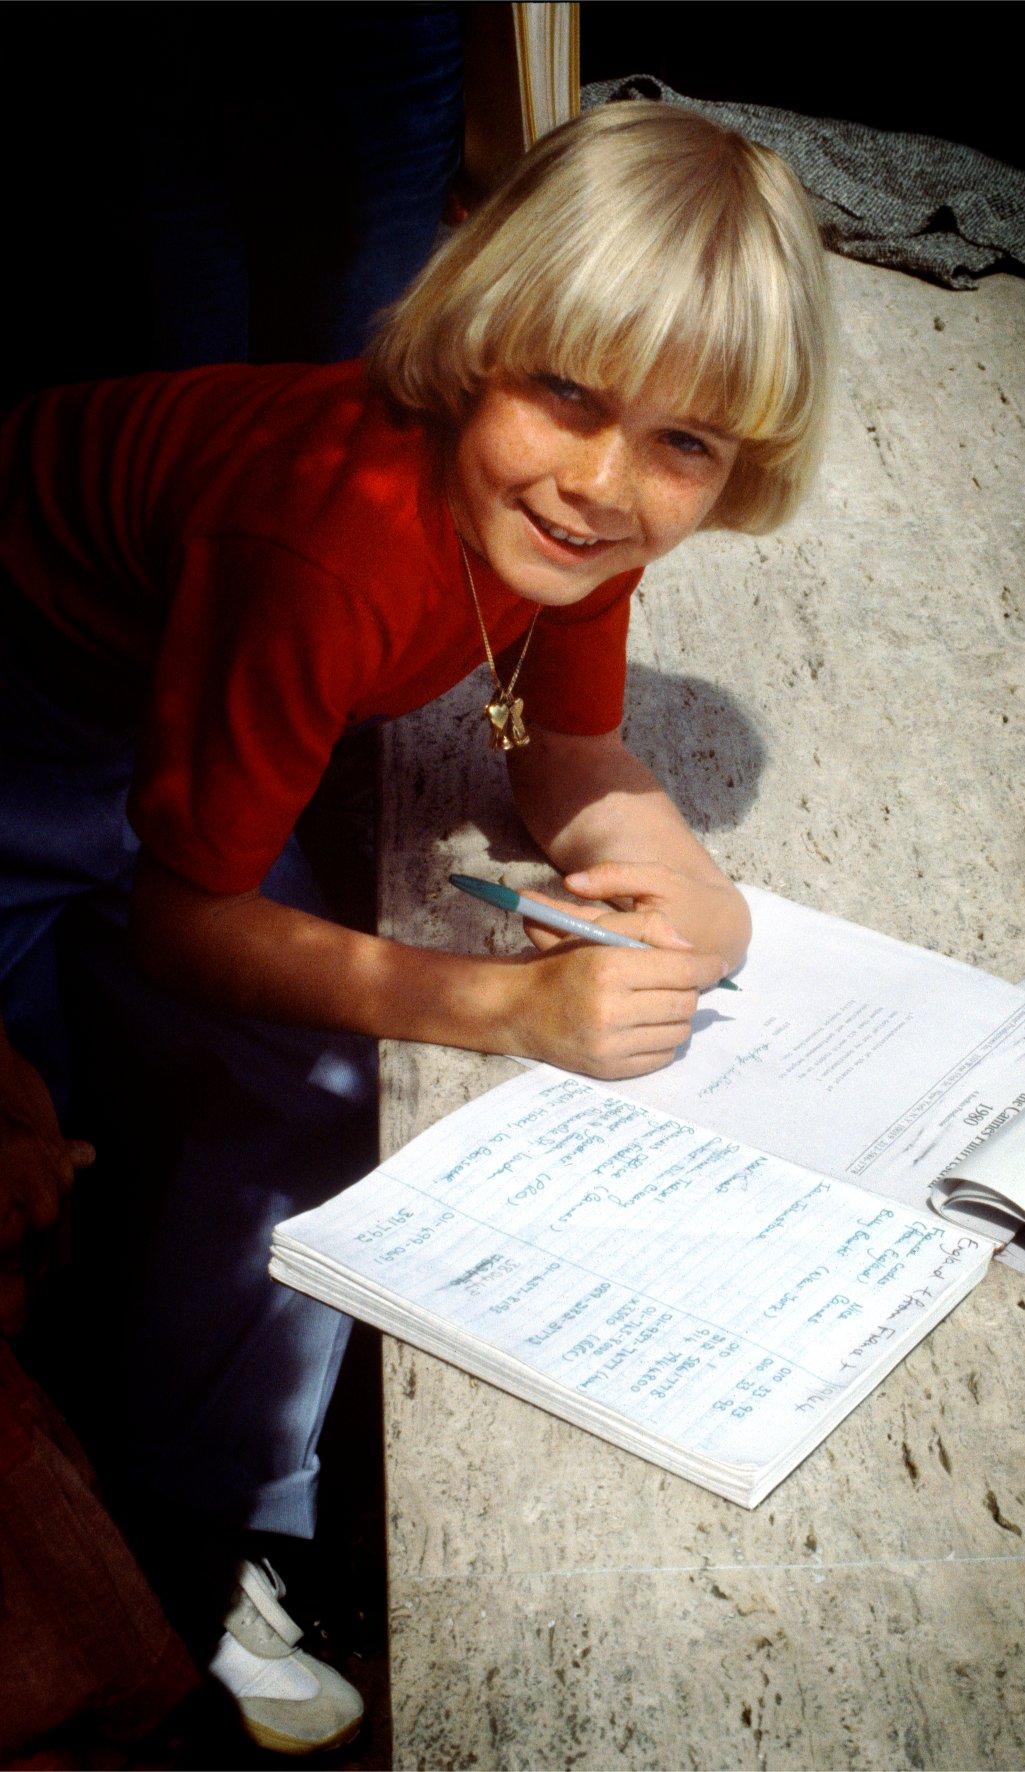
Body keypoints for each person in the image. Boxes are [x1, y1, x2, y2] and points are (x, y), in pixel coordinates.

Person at [0, 100, 832, 1752]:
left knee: (300, 1102)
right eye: (569, 395)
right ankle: (82, 1557)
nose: (603, 483)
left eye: (684, 442)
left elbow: (569, 749)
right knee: (32, 1163)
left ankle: (218, 1507)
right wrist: (506, 1008)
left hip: (157, 701)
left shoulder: (581, 526)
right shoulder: (330, 547)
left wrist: (689, 879)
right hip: (24, 712)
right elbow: (184, 919)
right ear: (480, 335)